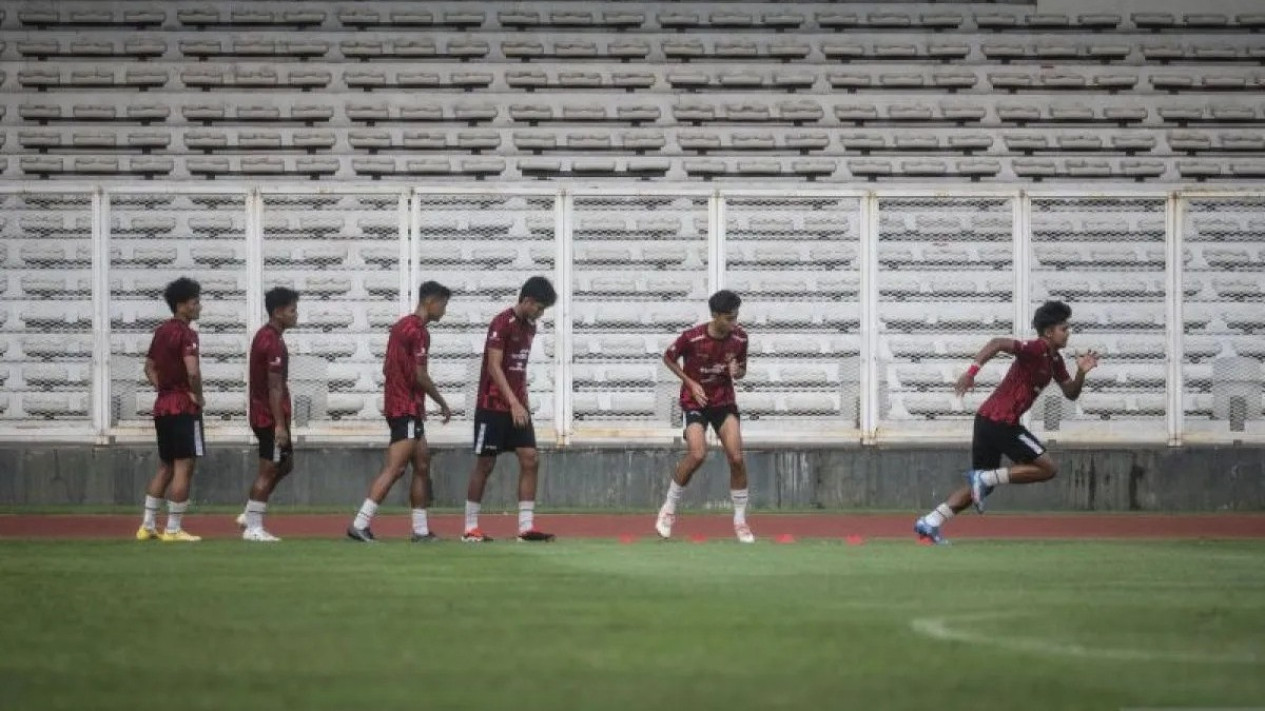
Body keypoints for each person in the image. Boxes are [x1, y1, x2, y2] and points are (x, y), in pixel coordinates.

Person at [914, 300, 1099, 544]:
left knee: (983, 484)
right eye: (1063, 328)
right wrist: (971, 373)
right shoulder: (1035, 349)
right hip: (1001, 421)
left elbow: (1070, 393)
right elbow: (998, 343)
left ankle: (931, 521)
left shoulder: (1055, 361)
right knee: (1047, 468)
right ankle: (984, 479)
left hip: (987, 420)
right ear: (1048, 332)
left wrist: (1081, 373)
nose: (1068, 333)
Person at [347, 281, 453, 542]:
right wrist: (441, 402)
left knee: (422, 463)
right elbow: (420, 375)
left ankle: (419, 531)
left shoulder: (399, 326)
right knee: (395, 468)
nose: (444, 311)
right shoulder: (418, 332)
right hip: (405, 406)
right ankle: (360, 523)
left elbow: (387, 368)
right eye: (444, 305)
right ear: (431, 302)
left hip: (402, 405)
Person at [461, 276, 557, 543]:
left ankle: (525, 528)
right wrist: (513, 402)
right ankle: (470, 528)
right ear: (526, 301)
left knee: (530, 458)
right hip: (492, 405)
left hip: (518, 405)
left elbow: (518, 369)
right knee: (485, 463)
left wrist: (520, 402)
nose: (540, 314)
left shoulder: (530, 327)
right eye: (538, 308)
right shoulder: (501, 323)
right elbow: (494, 366)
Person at [655, 290, 754, 543]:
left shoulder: (740, 338)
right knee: (698, 453)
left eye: (736, 318)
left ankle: (740, 521)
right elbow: (668, 357)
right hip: (695, 401)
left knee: (736, 457)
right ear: (715, 315)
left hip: (723, 401)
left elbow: (741, 371)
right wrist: (690, 382)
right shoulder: (693, 337)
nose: (734, 323)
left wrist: (737, 370)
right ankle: (668, 509)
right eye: (729, 319)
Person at [137, 277, 205, 543]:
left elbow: (149, 367)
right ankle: (174, 529)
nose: (199, 307)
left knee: (165, 466)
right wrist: (196, 396)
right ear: (181, 306)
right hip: (182, 406)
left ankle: (147, 525)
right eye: (195, 302)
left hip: (163, 405)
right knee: (183, 466)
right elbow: (193, 371)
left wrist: (164, 389)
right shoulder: (187, 334)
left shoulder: (161, 331)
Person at [235, 287, 299, 542]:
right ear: (278, 312)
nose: (296, 315)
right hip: (269, 417)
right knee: (269, 469)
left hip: (268, 414)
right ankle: (253, 527)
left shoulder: (269, 337)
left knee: (286, 464)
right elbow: (274, 386)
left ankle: (250, 512)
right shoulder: (271, 341)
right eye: (292, 310)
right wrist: (279, 426)